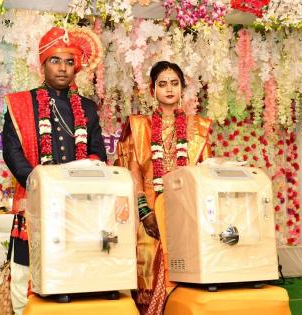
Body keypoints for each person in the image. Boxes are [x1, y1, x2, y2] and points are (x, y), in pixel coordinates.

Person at [2, 26, 107, 314]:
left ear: (77, 67)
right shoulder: (22, 103)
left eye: (69, 62)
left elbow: (99, 151)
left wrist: (82, 177)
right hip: (35, 200)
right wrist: (39, 183)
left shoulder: (87, 107)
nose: (63, 68)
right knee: (25, 270)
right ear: (43, 63)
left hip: (78, 204)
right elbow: (11, 151)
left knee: (78, 267)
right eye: (55, 60)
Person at [116, 61, 212, 315]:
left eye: (174, 83)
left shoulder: (198, 129)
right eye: (162, 84)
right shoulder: (138, 127)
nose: (169, 89)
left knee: (186, 271)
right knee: (145, 271)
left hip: (185, 215)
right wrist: (145, 211)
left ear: (182, 88)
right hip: (146, 215)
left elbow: (204, 177)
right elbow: (131, 171)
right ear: (152, 90)